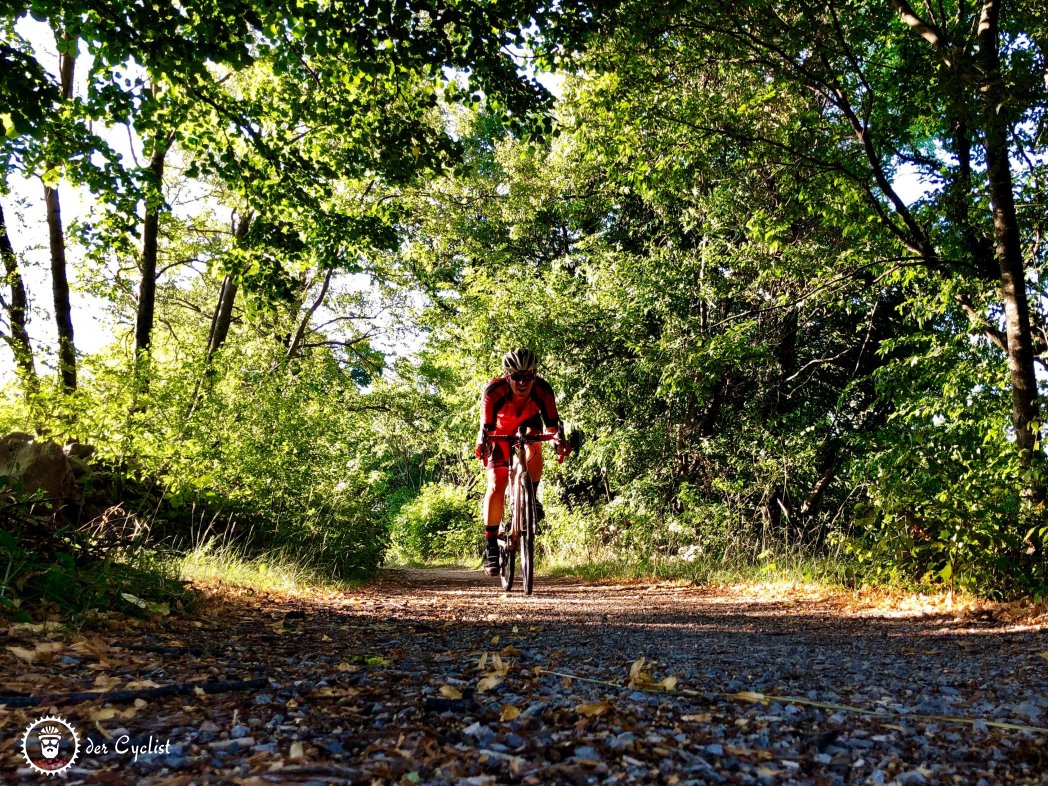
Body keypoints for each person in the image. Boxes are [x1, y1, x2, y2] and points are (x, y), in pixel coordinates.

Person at [475, 348, 568, 576]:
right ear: (507, 376)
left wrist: (559, 442)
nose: (523, 382)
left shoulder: (543, 390)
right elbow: (485, 429)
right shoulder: (494, 391)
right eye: (516, 377)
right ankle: (491, 547)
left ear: (535, 375)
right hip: (498, 430)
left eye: (528, 376)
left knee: (534, 444)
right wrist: (482, 444)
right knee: (497, 482)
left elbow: (553, 427)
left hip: (527, 423)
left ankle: (531, 497)